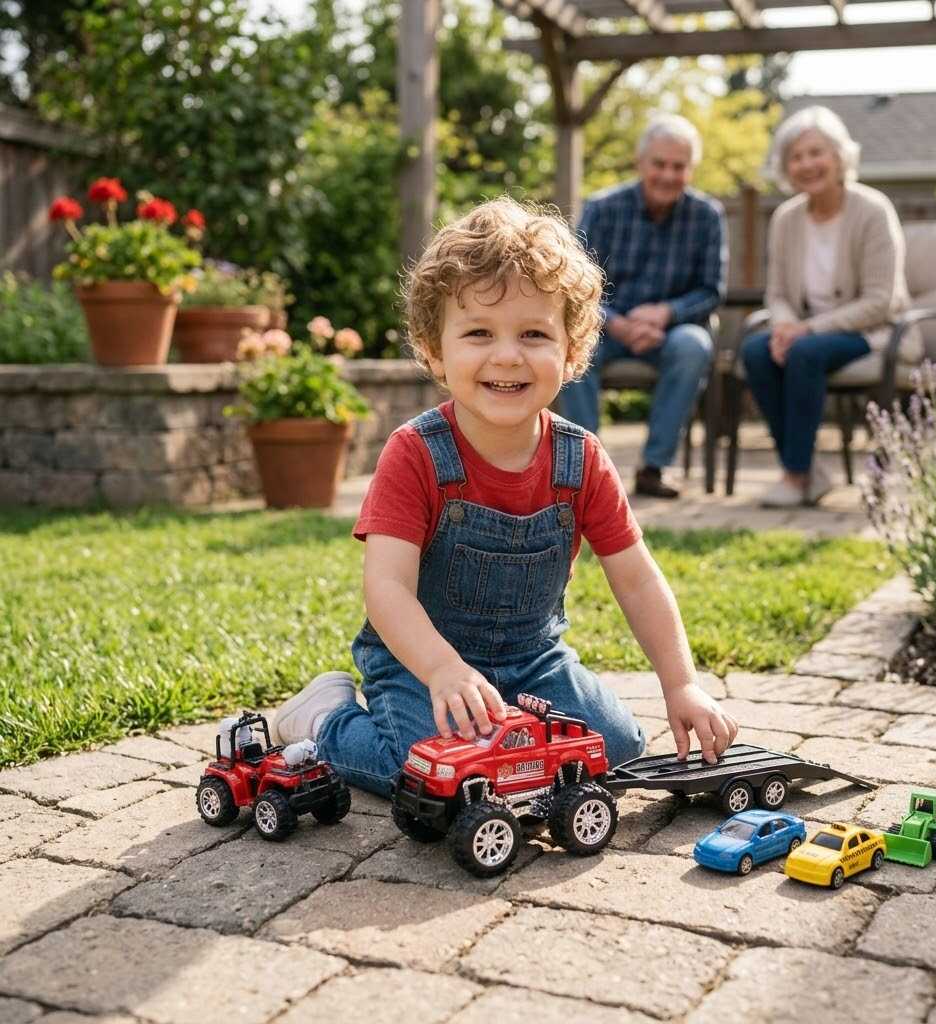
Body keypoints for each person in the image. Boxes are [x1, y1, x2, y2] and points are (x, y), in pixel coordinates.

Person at [271, 197, 737, 796]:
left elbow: (638, 579)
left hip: (534, 660)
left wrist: (682, 685)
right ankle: (327, 718)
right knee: (424, 773)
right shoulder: (415, 454)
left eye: (534, 333)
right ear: (435, 350)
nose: (508, 355)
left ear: (572, 352)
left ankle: (501, 725)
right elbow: (386, 587)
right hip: (421, 663)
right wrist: (442, 669)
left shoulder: (581, 459)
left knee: (614, 748)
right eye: (479, 333)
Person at [740, 105, 918, 508]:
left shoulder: (873, 210)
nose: (807, 164)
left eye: (816, 152)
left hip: (873, 332)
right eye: (796, 157)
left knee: (803, 353)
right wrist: (785, 325)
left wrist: (806, 330)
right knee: (755, 351)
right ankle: (811, 473)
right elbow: (779, 294)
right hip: (805, 334)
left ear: (839, 156)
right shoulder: (786, 218)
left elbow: (880, 300)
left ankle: (796, 475)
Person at [559, 114, 728, 499]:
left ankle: (655, 468)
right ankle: (588, 470)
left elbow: (710, 290)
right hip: (604, 327)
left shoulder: (708, 217)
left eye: (679, 166)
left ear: (691, 169)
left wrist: (665, 314)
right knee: (569, 342)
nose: (668, 174)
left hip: (672, 331)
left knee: (694, 346)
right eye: (660, 164)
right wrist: (616, 323)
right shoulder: (602, 208)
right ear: (641, 163)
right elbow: (576, 283)